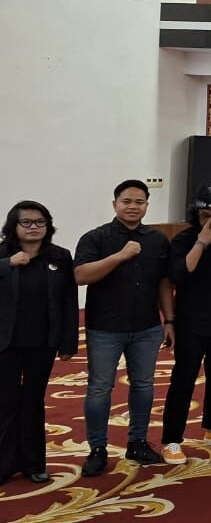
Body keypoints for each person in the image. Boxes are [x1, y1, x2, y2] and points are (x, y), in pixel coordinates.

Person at [75, 180, 173, 474]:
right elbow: (80, 276)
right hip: (105, 328)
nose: (133, 207)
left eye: (139, 202)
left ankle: (138, 442)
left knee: (143, 385)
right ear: (115, 204)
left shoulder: (157, 240)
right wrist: (119, 256)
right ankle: (97, 449)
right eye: (126, 201)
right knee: (100, 388)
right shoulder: (96, 238)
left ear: (147, 206)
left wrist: (169, 320)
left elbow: (164, 283)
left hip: (147, 326)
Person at [160, 186, 211, 465]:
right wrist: (201, 243)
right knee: (184, 379)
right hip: (191, 321)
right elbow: (179, 274)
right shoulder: (184, 239)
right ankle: (171, 439)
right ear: (196, 213)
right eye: (206, 215)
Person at [0, 201, 77, 483]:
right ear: (14, 226)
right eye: (27, 222)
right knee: (6, 403)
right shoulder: (3, 254)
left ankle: (33, 464)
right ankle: (4, 464)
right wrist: (8, 264)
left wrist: (68, 342)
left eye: (40, 222)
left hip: (42, 342)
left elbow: (69, 301)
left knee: (33, 401)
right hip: (5, 342)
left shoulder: (59, 256)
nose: (34, 227)